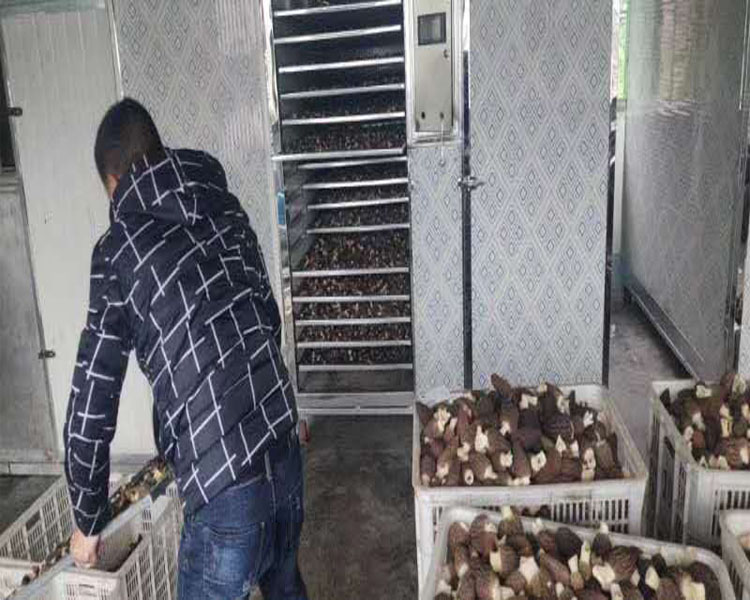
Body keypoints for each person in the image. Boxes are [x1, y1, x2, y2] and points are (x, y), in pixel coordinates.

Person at [63, 98, 307, 599]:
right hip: (284, 454)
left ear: (112, 182)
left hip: (225, 491)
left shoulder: (118, 251)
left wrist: (87, 522)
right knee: (285, 587)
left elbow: (91, 406)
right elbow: (266, 317)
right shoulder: (225, 207)